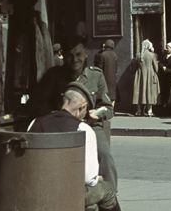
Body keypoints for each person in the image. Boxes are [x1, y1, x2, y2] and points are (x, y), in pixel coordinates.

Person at [27, 82, 130, 211]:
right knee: (106, 190)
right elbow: (89, 178)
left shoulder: (35, 122)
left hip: (37, 191)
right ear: (81, 107)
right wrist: (97, 179)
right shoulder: (84, 129)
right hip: (68, 196)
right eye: (85, 110)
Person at [30, 34, 118, 190]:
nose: (74, 59)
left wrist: (97, 114)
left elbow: (108, 107)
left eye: (78, 54)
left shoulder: (95, 75)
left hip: (89, 125)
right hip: (60, 124)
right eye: (70, 55)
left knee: (105, 155)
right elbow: (39, 103)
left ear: (86, 53)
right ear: (64, 55)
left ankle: (109, 195)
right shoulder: (54, 75)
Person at [132, 39, 160, 117]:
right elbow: (156, 68)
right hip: (150, 74)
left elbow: (134, 67)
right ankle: (149, 111)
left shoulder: (138, 55)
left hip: (140, 75)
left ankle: (138, 111)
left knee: (139, 91)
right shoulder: (152, 55)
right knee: (149, 91)